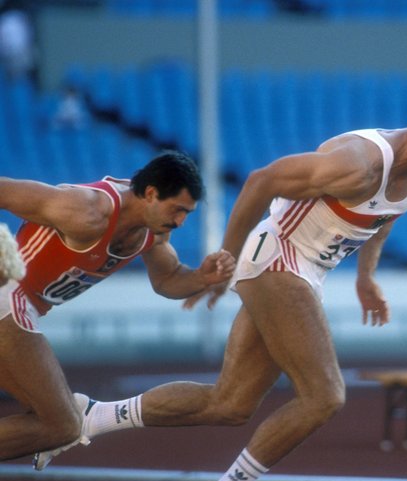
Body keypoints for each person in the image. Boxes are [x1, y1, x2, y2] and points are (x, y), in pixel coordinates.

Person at [39, 93, 407, 481]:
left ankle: (91, 415)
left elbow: (386, 219)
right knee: (325, 396)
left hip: (304, 273)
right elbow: (260, 181)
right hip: (277, 262)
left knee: (229, 404)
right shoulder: (358, 163)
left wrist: (367, 277)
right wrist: (227, 258)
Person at [0, 151, 236, 464]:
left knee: (55, 420)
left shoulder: (153, 232)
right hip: (8, 299)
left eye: (187, 214)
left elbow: (167, 281)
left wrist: (202, 278)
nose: (180, 222)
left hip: (23, 310)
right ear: (151, 194)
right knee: (63, 425)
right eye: (178, 210)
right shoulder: (86, 210)